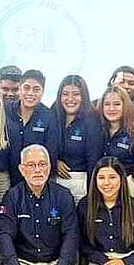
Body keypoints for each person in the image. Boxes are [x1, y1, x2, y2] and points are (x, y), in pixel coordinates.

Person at [52, 74, 103, 203]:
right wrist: (54, 162)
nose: (70, 99)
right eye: (65, 94)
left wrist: (92, 195)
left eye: (76, 94)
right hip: (54, 182)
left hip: (80, 183)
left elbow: (93, 159)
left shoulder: (92, 119)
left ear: (83, 96)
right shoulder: (54, 113)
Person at [6, 69, 59, 184]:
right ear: (20, 89)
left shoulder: (49, 117)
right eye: (26, 88)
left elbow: (51, 155)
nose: (30, 93)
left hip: (36, 181)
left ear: (43, 92)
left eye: (36, 89)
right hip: (7, 178)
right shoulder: (5, 111)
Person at [99, 86, 134, 198]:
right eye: (107, 104)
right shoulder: (96, 129)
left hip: (126, 185)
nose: (111, 108)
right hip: (100, 185)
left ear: (125, 106)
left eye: (116, 104)